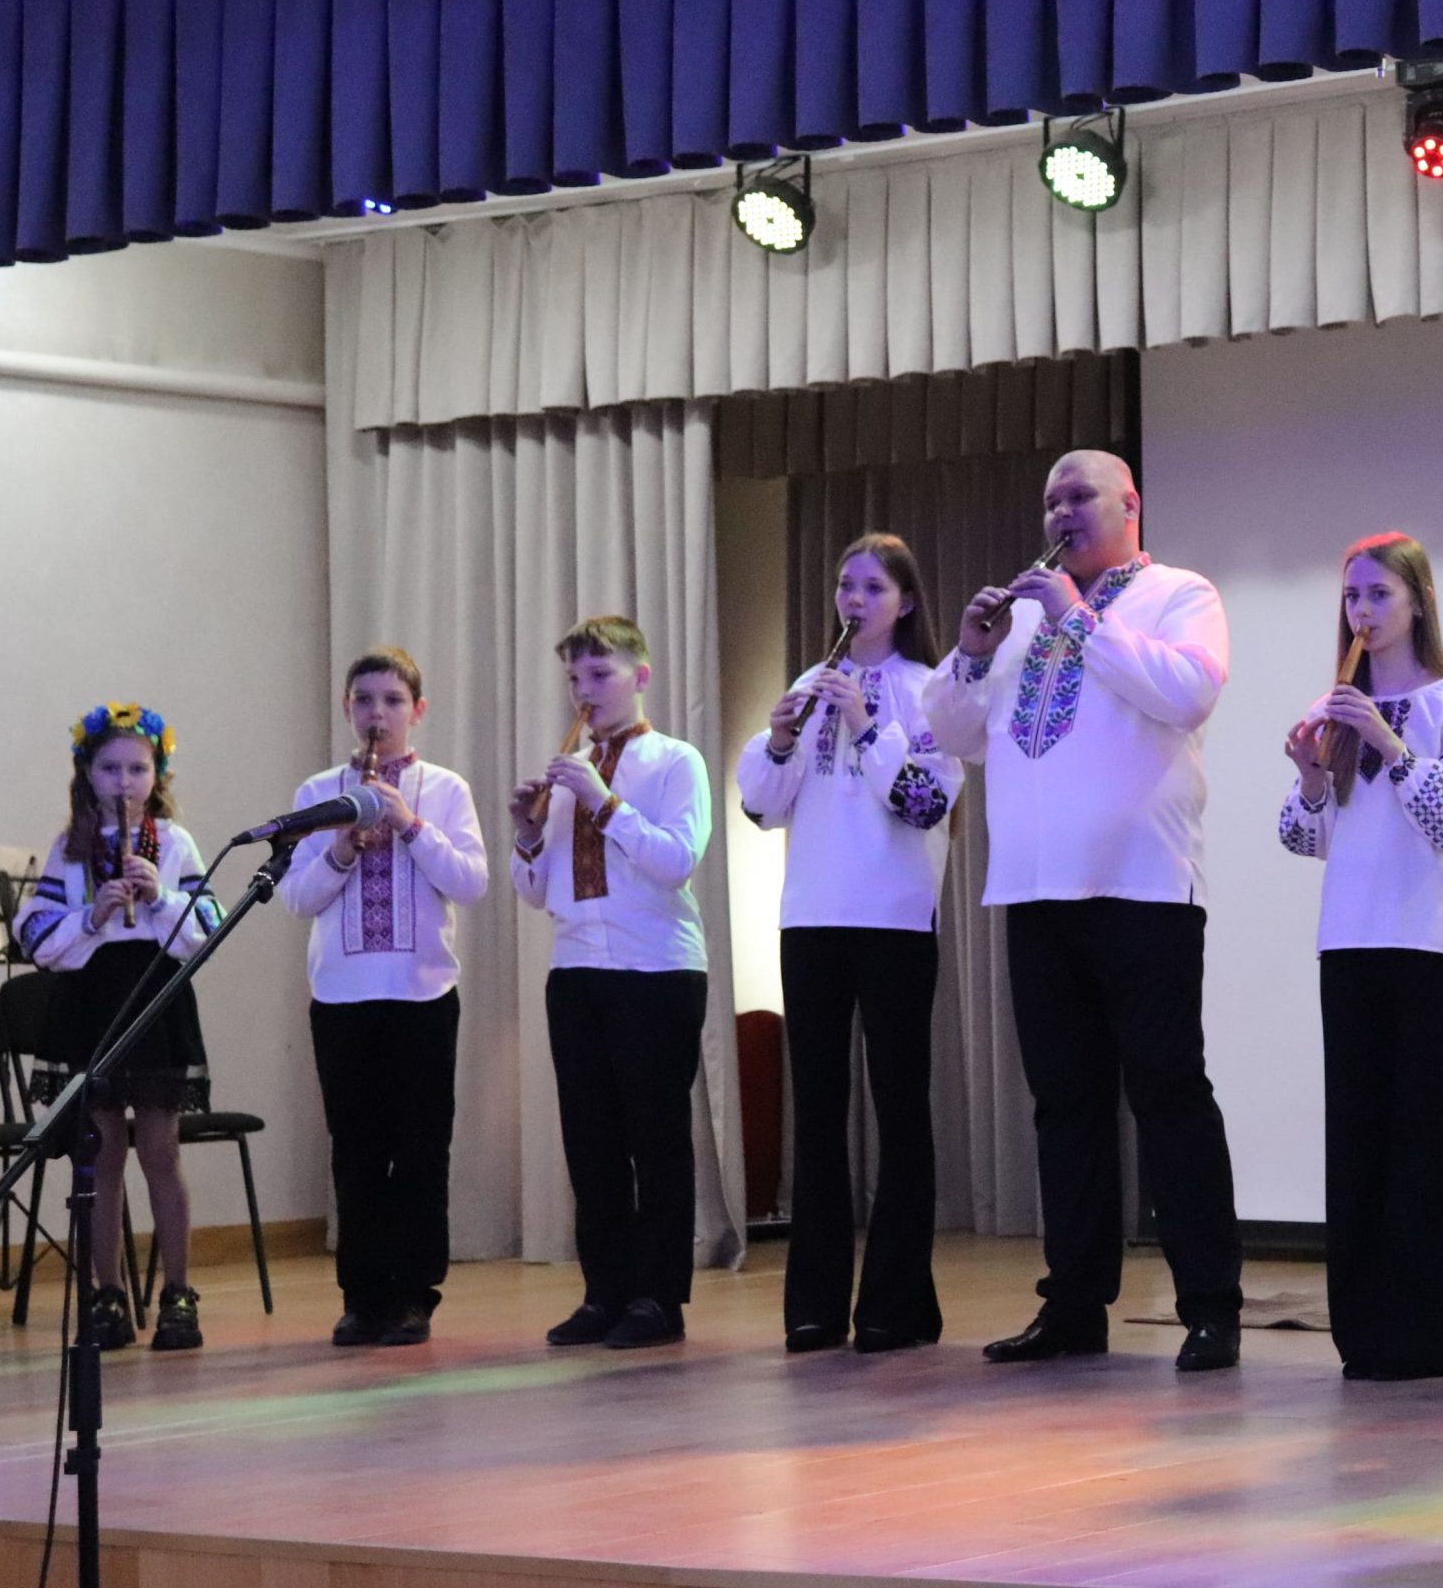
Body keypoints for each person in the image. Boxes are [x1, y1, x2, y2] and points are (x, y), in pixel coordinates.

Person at [923, 449, 1245, 1372]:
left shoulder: (1180, 593)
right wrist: (971, 652)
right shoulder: (1021, 617)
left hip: (1143, 887)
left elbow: (1187, 692)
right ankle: (1073, 1303)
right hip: (1034, 890)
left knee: (1169, 1094)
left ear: (1129, 503)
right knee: (1064, 1106)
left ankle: (1211, 1306)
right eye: (1050, 500)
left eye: (1079, 496)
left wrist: (1077, 618)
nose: (1060, 512)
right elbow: (953, 734)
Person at [738, 533, 963, 1355]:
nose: (854, 599)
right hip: (812, 918)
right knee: (818, 1111)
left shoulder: (930, 690)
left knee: (900, 1108)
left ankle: (897, 1305)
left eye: (872, 587)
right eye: (845, 585)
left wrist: (868, 726)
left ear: (905, 602)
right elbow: (761, 808)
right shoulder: (808, 684)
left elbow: (924, 802)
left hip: (896, 919)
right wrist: (780, 740)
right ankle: (815, 1304)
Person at [1279, 533, 1443, 1381]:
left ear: (1418, 602)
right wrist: (1311, 775)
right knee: (1357, 1136)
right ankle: (1362, 1331)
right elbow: (1305, 839)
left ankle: (1425, 1335)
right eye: (1353, 596)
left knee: (1421, 1142)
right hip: (1348, 940)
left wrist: (1390, 743)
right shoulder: (1338, 706)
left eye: (1379, 595)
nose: (1362, 611)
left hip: (1425, 940)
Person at [510, 616, 712, 1351]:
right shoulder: (572, 772)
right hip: (575, 971)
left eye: (599, 675)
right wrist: (527, 834)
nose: (584, 692)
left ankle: (658, 1297)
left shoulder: (675, 761)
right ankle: (604, 1292)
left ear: (640, 676)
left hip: (656, 968)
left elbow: (675, 862)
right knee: (590, 1141)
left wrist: (604, 802)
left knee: (655, 1138)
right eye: (575, 678)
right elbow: (538, 891)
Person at [278, 647, 489, 1348]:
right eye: (365, 700)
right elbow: (296, 897)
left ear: (417, 711)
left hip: (423, 995)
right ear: (348, 708)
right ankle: (362, 1296)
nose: (378, 714)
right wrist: (341, 850)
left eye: (393, 700)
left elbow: (471, 882)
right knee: (356, 1150)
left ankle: (413, 1295)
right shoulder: (318, 793)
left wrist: (409, 825)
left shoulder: (445, 789)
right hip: (342, 999)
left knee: (421, 1150)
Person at [14, 704, 220, 1352]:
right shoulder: (69, 848)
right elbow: (36, 936)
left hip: (155, 1000)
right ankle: (107, 1294)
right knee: (99, 1158)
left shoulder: (176, 843)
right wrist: (92, 916)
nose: (124, 781)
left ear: (157, 775)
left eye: (137, 768)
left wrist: (160, 897)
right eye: (110, 768)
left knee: (161, 1151)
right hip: (91, 1004)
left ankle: (178, 1293)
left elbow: (208, 927)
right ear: (88, 774)